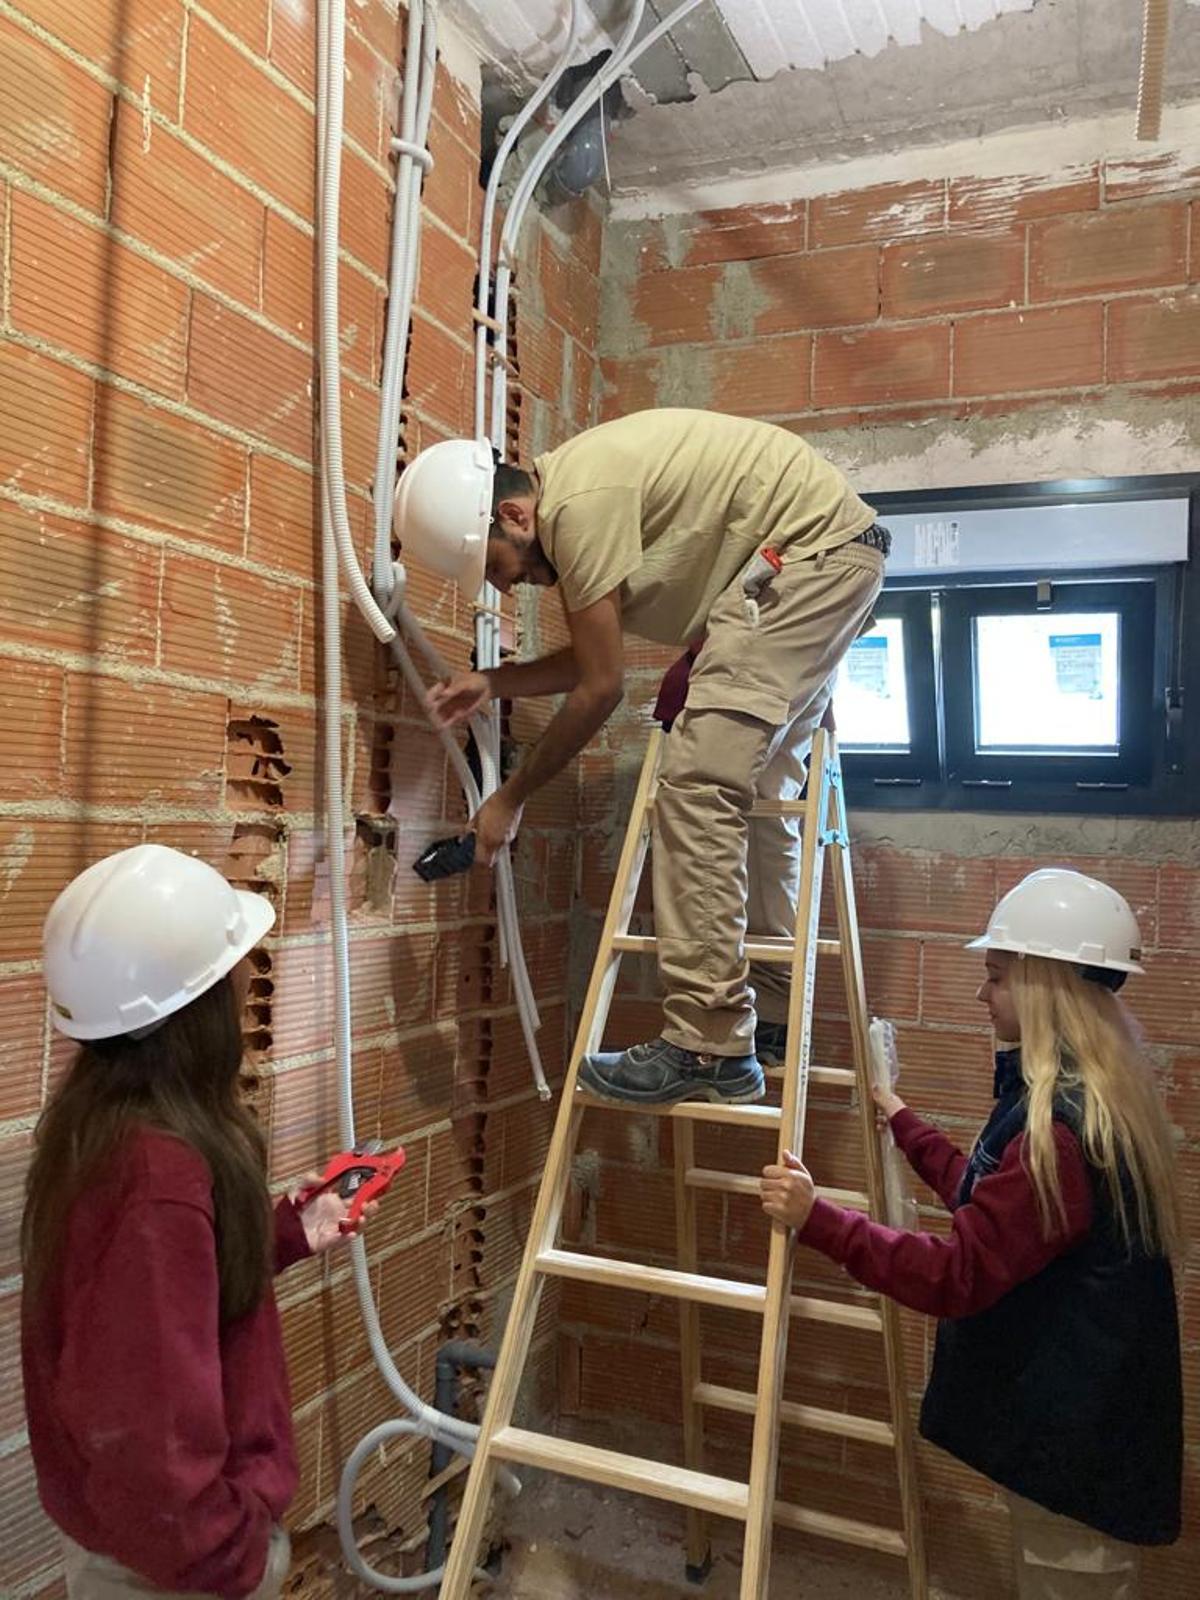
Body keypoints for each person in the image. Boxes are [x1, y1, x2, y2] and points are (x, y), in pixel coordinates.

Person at [395, 408, 888, 1107]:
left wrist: (507, 799)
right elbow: (593, 660)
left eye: (500, 567)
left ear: (515, 514)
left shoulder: (577, 507)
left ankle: (708, 1043)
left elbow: (601, 687)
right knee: (761, 789)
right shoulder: (577, 489)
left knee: (696, 785)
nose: (510, 587)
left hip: (802, 562)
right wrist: (495, 683)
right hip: (831, 559)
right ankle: (769, 1017)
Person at [760, 868, 1184, 1598]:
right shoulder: (1087, 1095)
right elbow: (989, 1204)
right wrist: (901, 1119)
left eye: (995, 976)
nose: (980, 995)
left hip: (1079, 1452)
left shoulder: (1064, 1131)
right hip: (1085, 1433)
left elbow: (960, 1274)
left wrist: (818, 1219)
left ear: (1045, 987)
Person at [21, 844, 376, 1600]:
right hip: (176, 1566)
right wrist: (237, 1559)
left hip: (148, 1546)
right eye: (235, 962)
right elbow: (149, 1434)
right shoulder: (157, 1176)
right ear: (197, 1003)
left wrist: (282, 1231)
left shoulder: (105, 1127)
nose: (250, 974)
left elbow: (153, 1307)